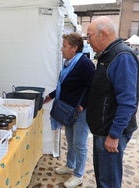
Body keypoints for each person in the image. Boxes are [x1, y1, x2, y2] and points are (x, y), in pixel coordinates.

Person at [86, 16, 139, 188]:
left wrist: (114, 135)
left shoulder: (122, 56)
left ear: (104, 34)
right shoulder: (107, 55)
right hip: (102, 129)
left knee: (108, 182)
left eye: (89, 36)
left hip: (110, 133)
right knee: (102, 177)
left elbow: (128, 102)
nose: (88, 41)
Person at [44, 32, 95, 188]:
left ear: (74, 48)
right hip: (69, 111)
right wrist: (51, 96)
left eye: (64, 46)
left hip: (80, 112)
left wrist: (82, 105)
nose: (61, 49)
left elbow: (93, 87)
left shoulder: (85, 64)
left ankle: (78, 175)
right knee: (71, 140)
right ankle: (70, 165)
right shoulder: (69, 63)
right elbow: (65, 86)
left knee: (79, 144)